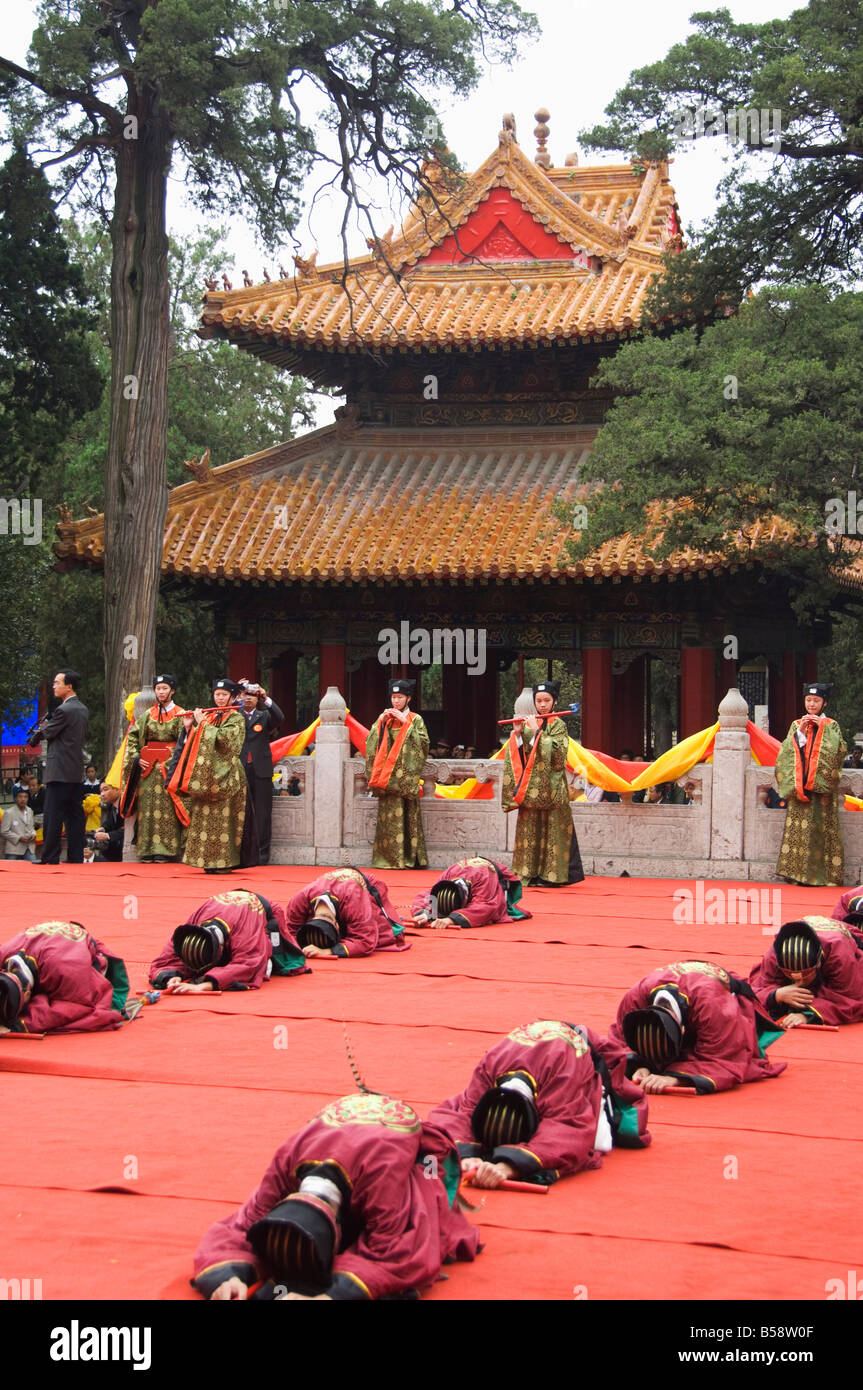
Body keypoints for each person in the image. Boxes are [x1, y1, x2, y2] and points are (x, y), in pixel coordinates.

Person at [191, 1091, 479, 1300]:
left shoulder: (381, 1179)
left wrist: (332, 1295)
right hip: (341, 1145)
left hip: (397, 1160)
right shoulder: (284, 1167)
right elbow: (241, 1227)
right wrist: (228, 1277)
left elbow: (397, 1253)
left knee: (419, 1219)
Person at [426, 1020, 651, 1189]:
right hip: (531, 1046)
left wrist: (508, 1166)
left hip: (575, 1048)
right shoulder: (489, 1067)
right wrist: (465, 1155)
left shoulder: (562, 1073)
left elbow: (567, 1130)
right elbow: (462, 1112)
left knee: (603, 1137)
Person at [610, 960, 786, 1094]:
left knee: (740, 1058)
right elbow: (618, 1041)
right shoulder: (634, 1000)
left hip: (719, 996)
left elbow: (724, 1061)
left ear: (683, 1031)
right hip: (690, 985)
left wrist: (675, 1079)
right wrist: (638, 1065)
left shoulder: (713, 1007)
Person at [166, 678, 254, 873]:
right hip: (206, 777)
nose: (220, 698)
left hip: (228, 774)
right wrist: (189, 727)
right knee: (203, 818)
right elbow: (198, 743)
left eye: (224, 695)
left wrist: (202, 724)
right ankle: (205, 861)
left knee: (224, 820)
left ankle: (224, 862)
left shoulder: (236, 717)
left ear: (232, 697)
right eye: (217, 694)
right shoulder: (211, 717)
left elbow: (226, 742)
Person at [501, 680, 584, 886]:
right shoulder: (531, 723)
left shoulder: (559, 725)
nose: (543, 705)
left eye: (547, 700)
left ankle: (552, 876)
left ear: (554, 702)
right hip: (532, 790)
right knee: (530, 831)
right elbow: (523, 756)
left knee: (553, 831)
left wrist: (537, 732)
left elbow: (557, 757)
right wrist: (519, 734)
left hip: (553, 790)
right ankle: (529, 873)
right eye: (539, 701)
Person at [149, 889, 306, 992]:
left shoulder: (245, 931)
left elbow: (249, 963)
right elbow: (165, 960)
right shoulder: (189, 931)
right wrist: (170, 977)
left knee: (270, 965)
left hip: (265, 914)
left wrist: (206, 985)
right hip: (225, 910)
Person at [0, 921, 129, 1034]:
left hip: (76, 956)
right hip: (54, 945)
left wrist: (20, 1024)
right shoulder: (4, 952)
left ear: (29, 994)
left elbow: (74, 1008)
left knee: (89, 1008)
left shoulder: (67, 972)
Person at [775, 682, 846, 887]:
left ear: (824, 703)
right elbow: (787, 751)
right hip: (800, 786)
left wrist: (821, 728)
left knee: (821, 830)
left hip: (821, 788)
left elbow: (839, 751)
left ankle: (824, 876)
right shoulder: (797, 724)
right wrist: (802, 732)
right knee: (798, 831)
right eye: (808, 700)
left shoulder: (831, 725)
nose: (812, 704)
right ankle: (795, 873)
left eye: (816, 700)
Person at [749, 918, 863, 1027]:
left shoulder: (840, 957)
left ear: (818, 964)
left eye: (805, 977)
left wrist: (808, 1015)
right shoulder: (775, 955)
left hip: (848, 945)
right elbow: (757, 988)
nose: (799, 983)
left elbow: (851, 1002)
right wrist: (777, 994)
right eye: (792, 977)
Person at [120, 674, 186, 862]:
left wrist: (169, 759)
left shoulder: (181, 714)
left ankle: (165, 850)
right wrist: (136, 758)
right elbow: (133, 738)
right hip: (147, 770)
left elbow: (186, 743)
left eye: (165, 688)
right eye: (158, 689)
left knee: (167, 810)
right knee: (147, 809)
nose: (161, 692)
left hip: (169, 770)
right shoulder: (148, 714)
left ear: (172, 691)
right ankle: (146, 848)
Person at [364, 678, 429, 869]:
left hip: (404, 778)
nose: (396, 702)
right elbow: (370, 741)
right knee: (387, 819)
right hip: (387, 780)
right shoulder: (384, 718)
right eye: (393, 697)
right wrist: (381, 724)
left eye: (400, 697)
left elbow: (423, 744)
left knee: (408, 817)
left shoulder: (415, 719)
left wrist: (406, 725)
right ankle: (386, 859)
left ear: (408, 698)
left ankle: (409, 859)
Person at [285, 868, 409, 958]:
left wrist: (328, 951)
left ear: (337, 925)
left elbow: (365, 941)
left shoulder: (353, 899)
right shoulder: (298, 902)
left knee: (388, 936)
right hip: (338, 886)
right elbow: (290, 932)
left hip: (363, 886)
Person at [32, 670, 89, 864]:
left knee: (53, 814)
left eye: (57, 683)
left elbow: (48, 732)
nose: (54, 686)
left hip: (59, 770)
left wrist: (35, 735)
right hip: (75, 770)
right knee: (74, 815)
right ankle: (75, 856)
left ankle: (50, 856)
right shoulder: (82, 708)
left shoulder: (64, 710)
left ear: (69, 686)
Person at [410, 856, 532, 928]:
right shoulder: (445, 878)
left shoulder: (484, 879)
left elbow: (484, 906)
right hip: (468, 874)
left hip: (496, 879)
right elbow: (424, 897)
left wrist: (450, 920)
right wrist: (425, 914)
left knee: (495, 908)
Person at [238, 678, 284, 865]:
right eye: (245, 695)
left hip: (261, 769)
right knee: (241, 810)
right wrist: (234, 693)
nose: (248, 699)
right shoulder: (234, 716)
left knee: (263, 813)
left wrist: (266, 699)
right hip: (239, 768)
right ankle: (241, 853)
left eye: (252, 696)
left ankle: (262, 854)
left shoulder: (264, 716)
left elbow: (280, 718)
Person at [1, 789, 37, 861]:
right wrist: (18, 838)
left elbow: (31, 827)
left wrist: (33, 834)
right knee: (10, 870)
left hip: (29, 847)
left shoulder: (30, 811)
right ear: (15, 798)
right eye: (20, 797)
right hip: (14, 848)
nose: (23, 799)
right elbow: (4, 831)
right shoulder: (9, 813)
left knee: (34, 868)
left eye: (25, 797)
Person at [93, 783, 125, 862]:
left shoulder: (127, 804)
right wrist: (102, 828)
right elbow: (110, 822)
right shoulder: (112, 805)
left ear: (117, 790)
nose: (102, 794)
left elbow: (128, 829)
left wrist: (107, 835)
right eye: (101, 791)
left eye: (106, 789)